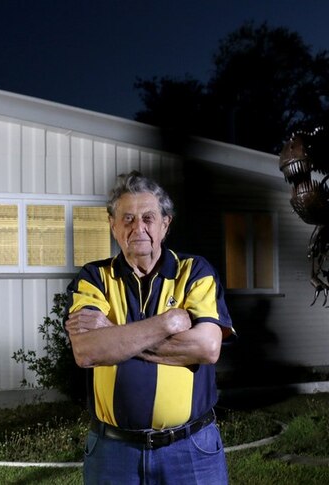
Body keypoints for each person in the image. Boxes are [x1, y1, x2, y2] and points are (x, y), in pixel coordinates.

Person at [66, 170, 234, 484]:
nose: (138, 228)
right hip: (113, 452)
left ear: (165, 224)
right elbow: (86, 351)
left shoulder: (195, 271)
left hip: (191, 448)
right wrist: (167, 322)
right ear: (113, 226)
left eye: (148, 217)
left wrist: (114, 335)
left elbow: (208, 348)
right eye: (127, 219)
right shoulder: (94, 277)